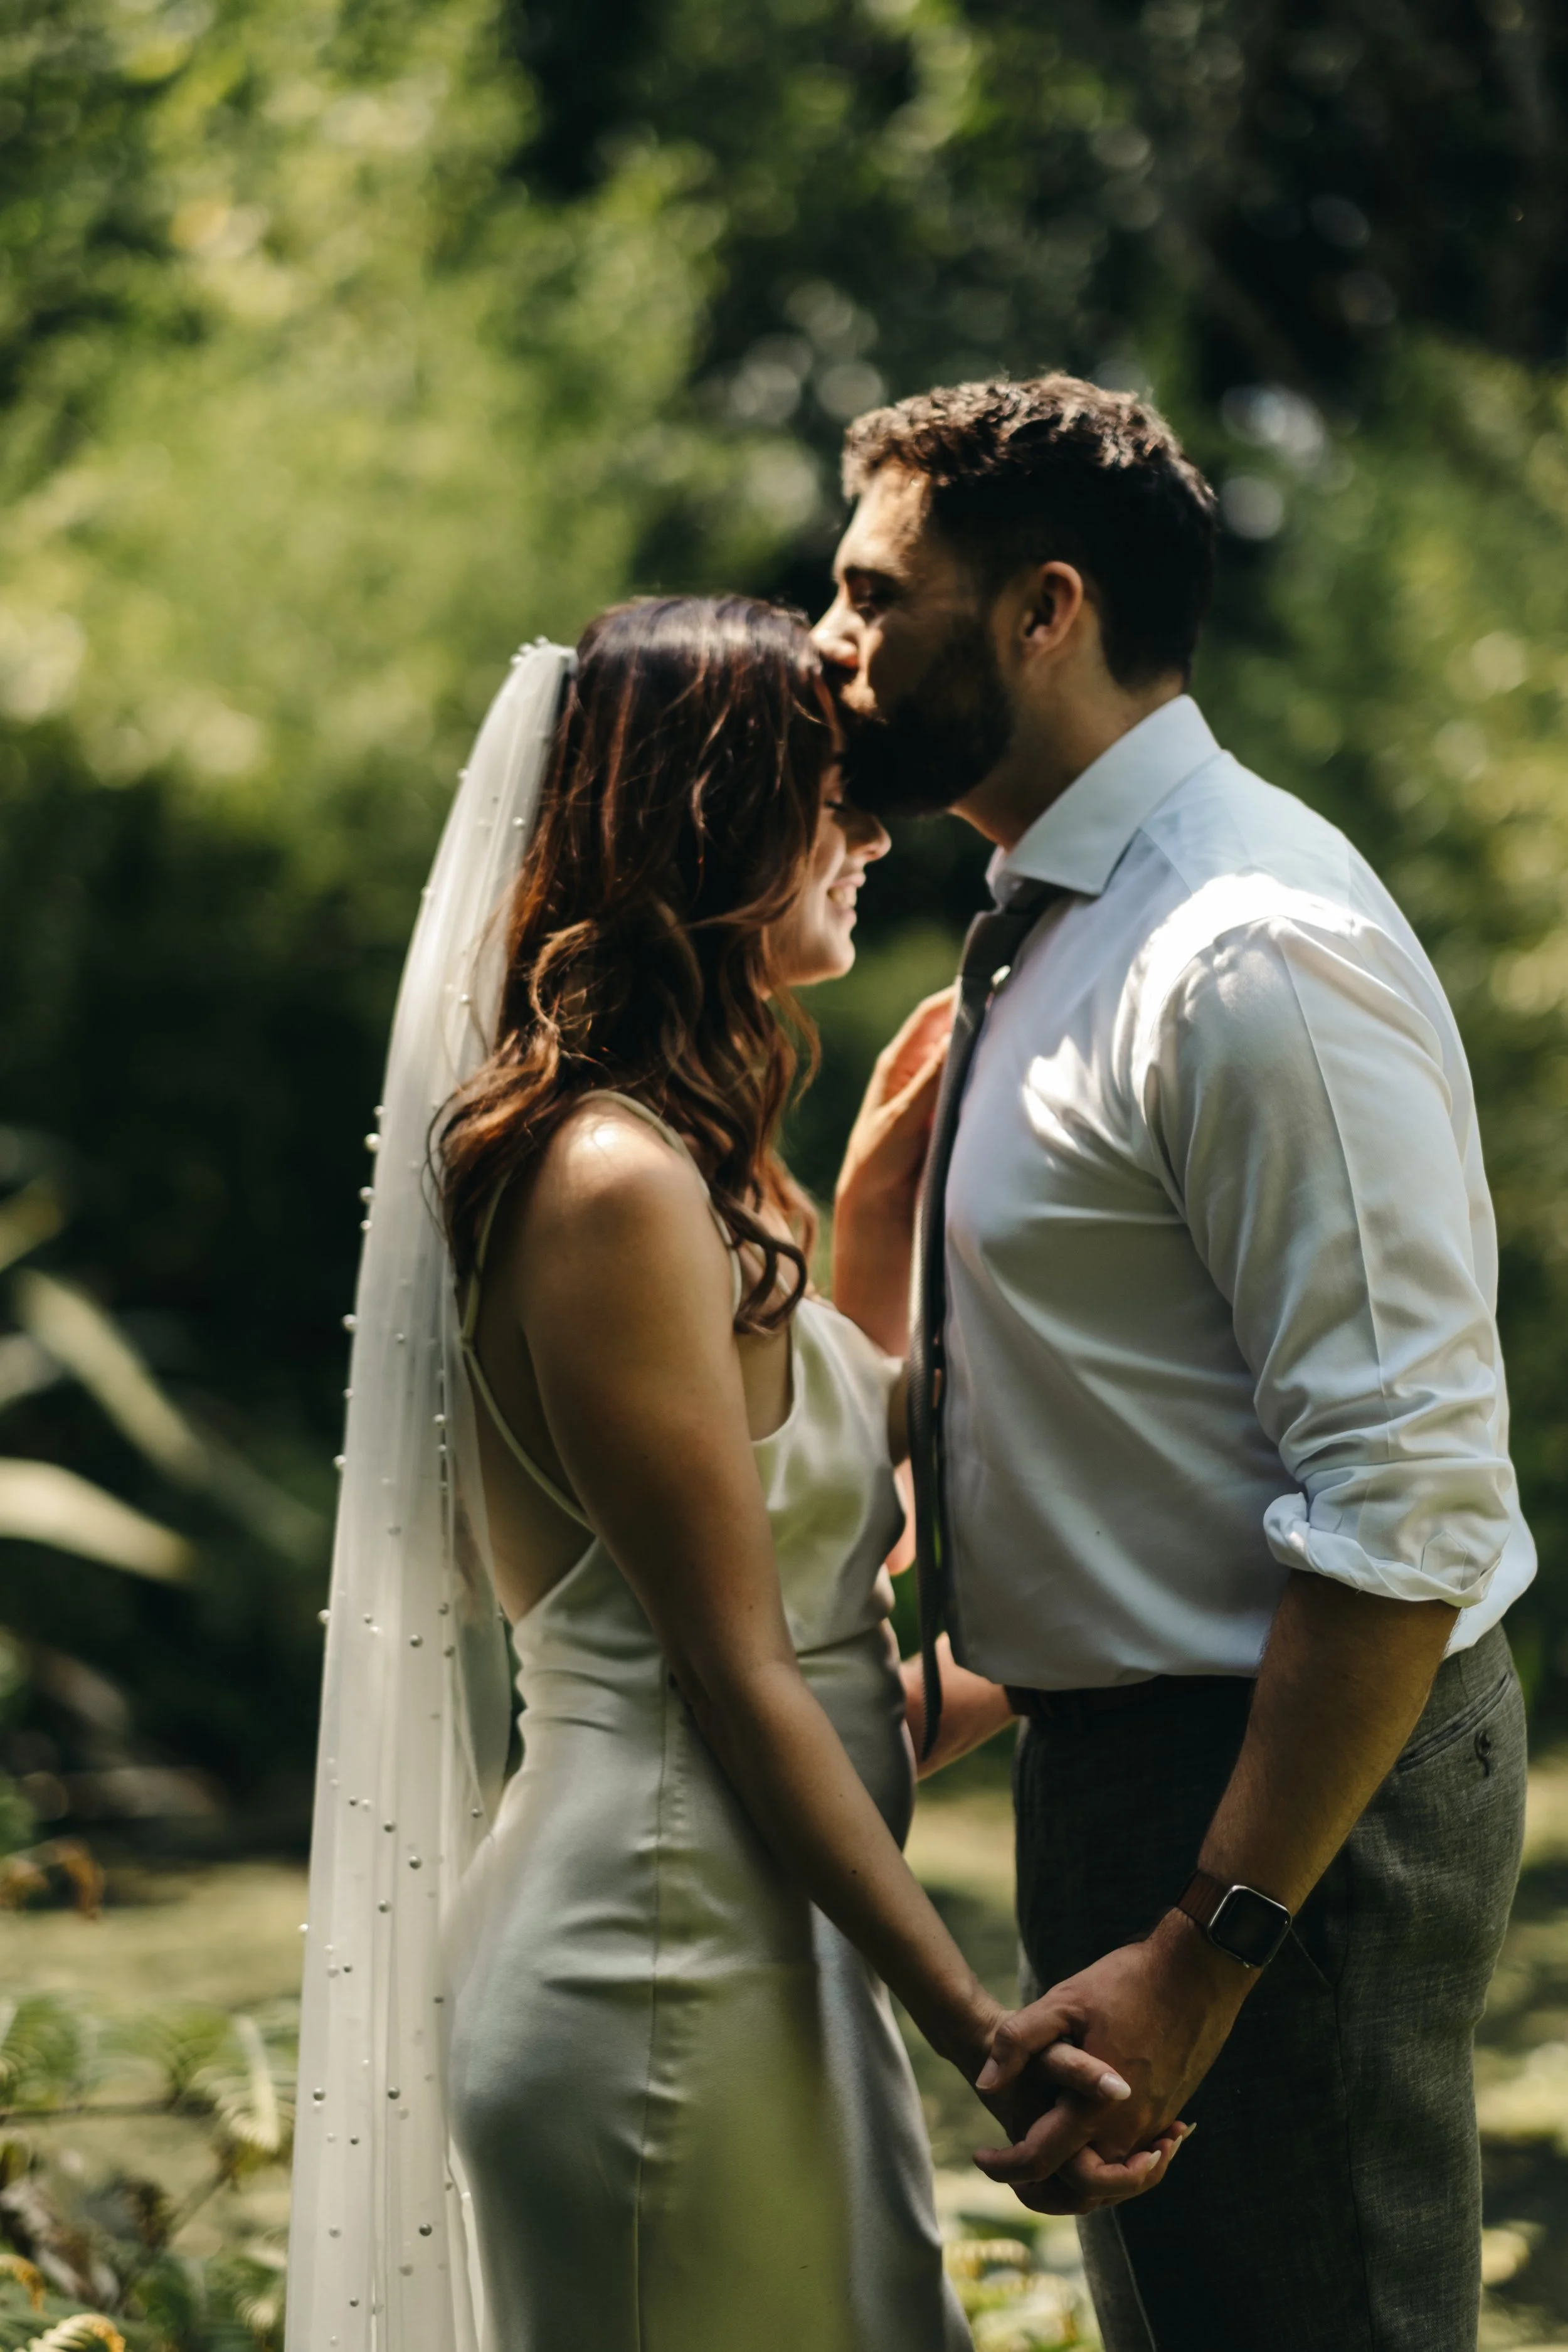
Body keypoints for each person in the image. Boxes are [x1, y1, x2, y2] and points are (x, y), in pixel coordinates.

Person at [287, 596, 1176, 2352]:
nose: (867, 830)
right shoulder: (606, 1182)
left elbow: (829, 1608)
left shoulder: (720, 1179)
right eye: (824, 792)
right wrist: (982, 2027)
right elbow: (731, 1668)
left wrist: (1192, 1632)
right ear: (702, 818)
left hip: (763, 1931)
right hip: (654, 1951)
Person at [819, 376, 1534, 2352]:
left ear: (1044, 610)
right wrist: (917, 1702)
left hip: (1288, 1802)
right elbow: (1135, 1435)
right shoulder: (1054, 920)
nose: (830, 643)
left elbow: (1404, 1510)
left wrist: (1200, 1955)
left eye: (876, 595)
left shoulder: (1243, 952)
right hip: (1127, 1758)